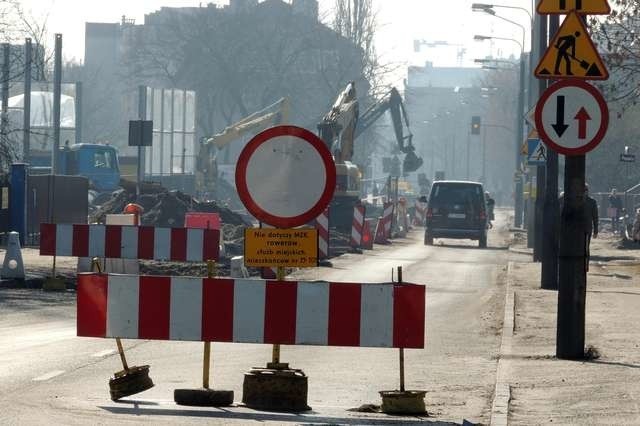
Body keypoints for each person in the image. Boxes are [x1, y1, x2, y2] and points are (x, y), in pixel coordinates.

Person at [585, 184, 599, 267]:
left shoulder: (592, 202)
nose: (585, 191)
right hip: (577, 228)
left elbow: (595, 217)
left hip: (587, 227)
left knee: (586, 246)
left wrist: (596, 230)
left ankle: (586, 264)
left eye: (586, 190)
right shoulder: (575, 201)